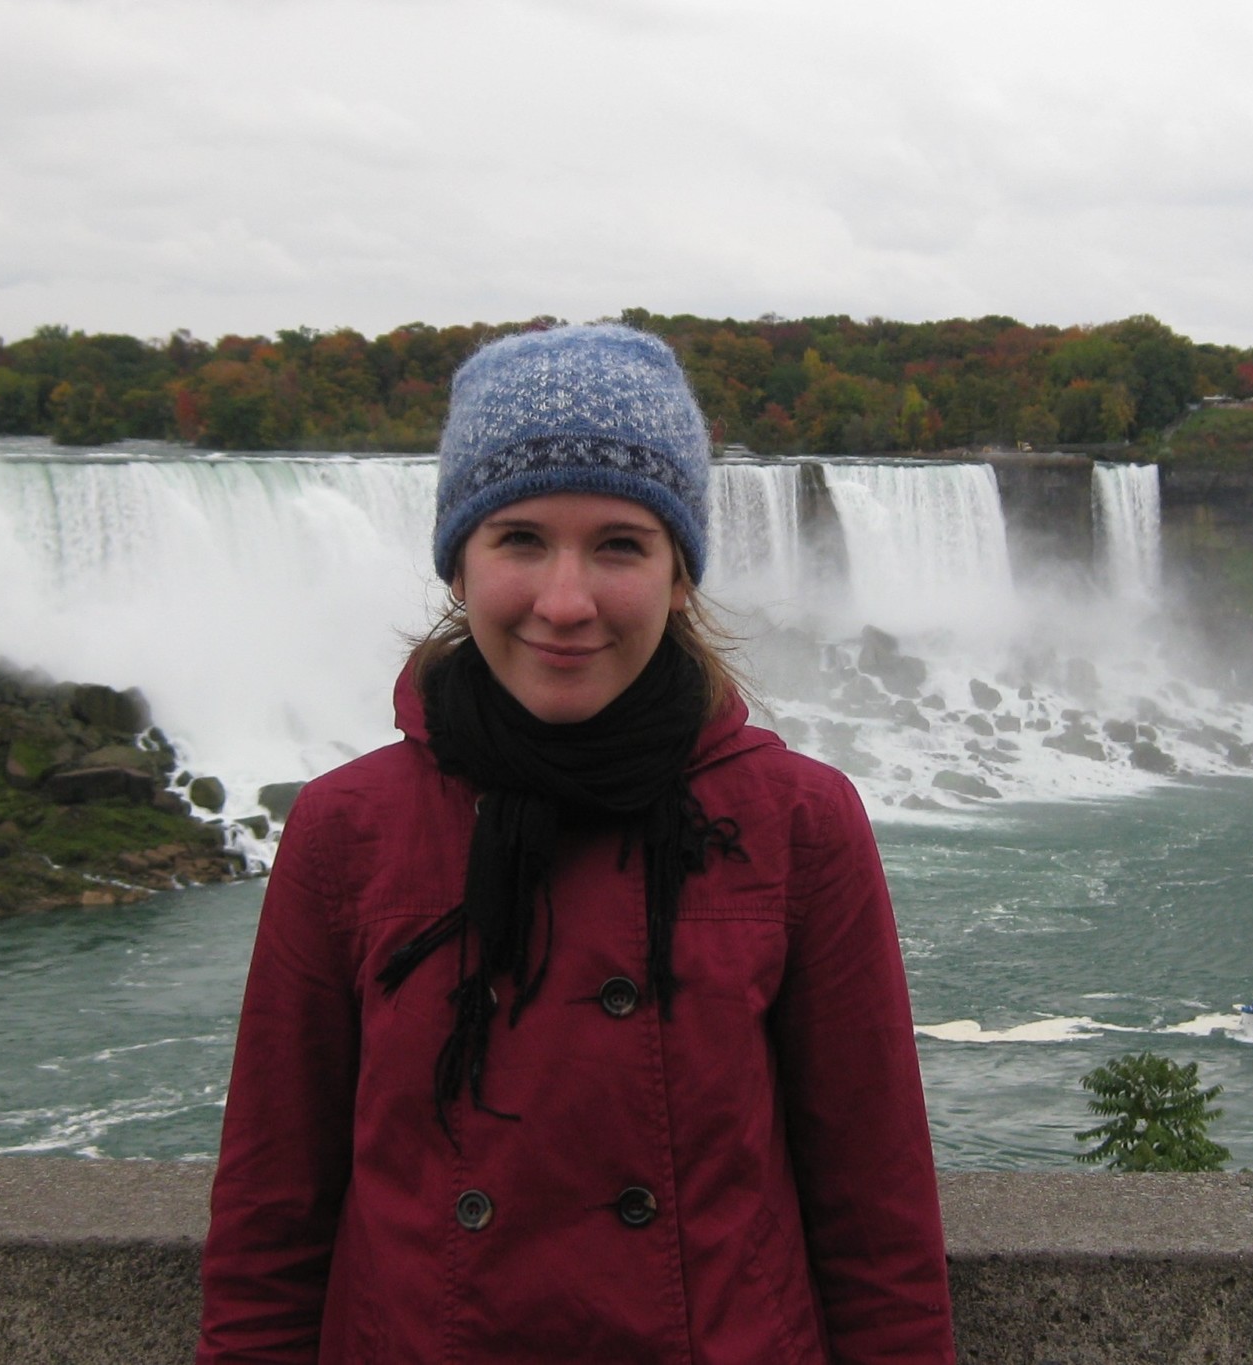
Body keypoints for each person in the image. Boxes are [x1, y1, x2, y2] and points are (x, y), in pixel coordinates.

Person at [197, 323, 955, 1364]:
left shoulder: (799, 824)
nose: (566, 602)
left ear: (680, 574)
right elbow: (268, 1228)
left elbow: (878, 1225)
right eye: (518, 539)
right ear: (457, 567)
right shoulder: (345, 832)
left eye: (619, 544)